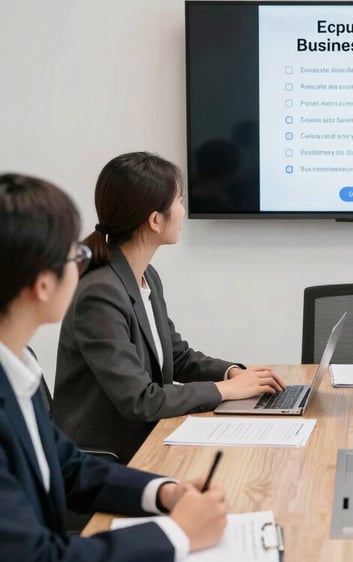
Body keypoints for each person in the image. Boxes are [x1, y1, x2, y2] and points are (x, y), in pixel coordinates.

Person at [0, 173, 229, 560]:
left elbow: (70, 467)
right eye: (75, 255)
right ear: (42, 285)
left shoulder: (18, 370)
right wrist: (177, 534)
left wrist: (165, 492)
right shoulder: (100, 292)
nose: (83, 265)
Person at [54, 152, 285, 461]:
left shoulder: (145, 275)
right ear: (155, 220)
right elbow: (139, 400)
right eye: (179, 201)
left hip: (146, 440)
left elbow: (176, 356)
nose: (183, 210)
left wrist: (233, 373)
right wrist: (225, 391)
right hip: (105, 458)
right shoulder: (100, 295)